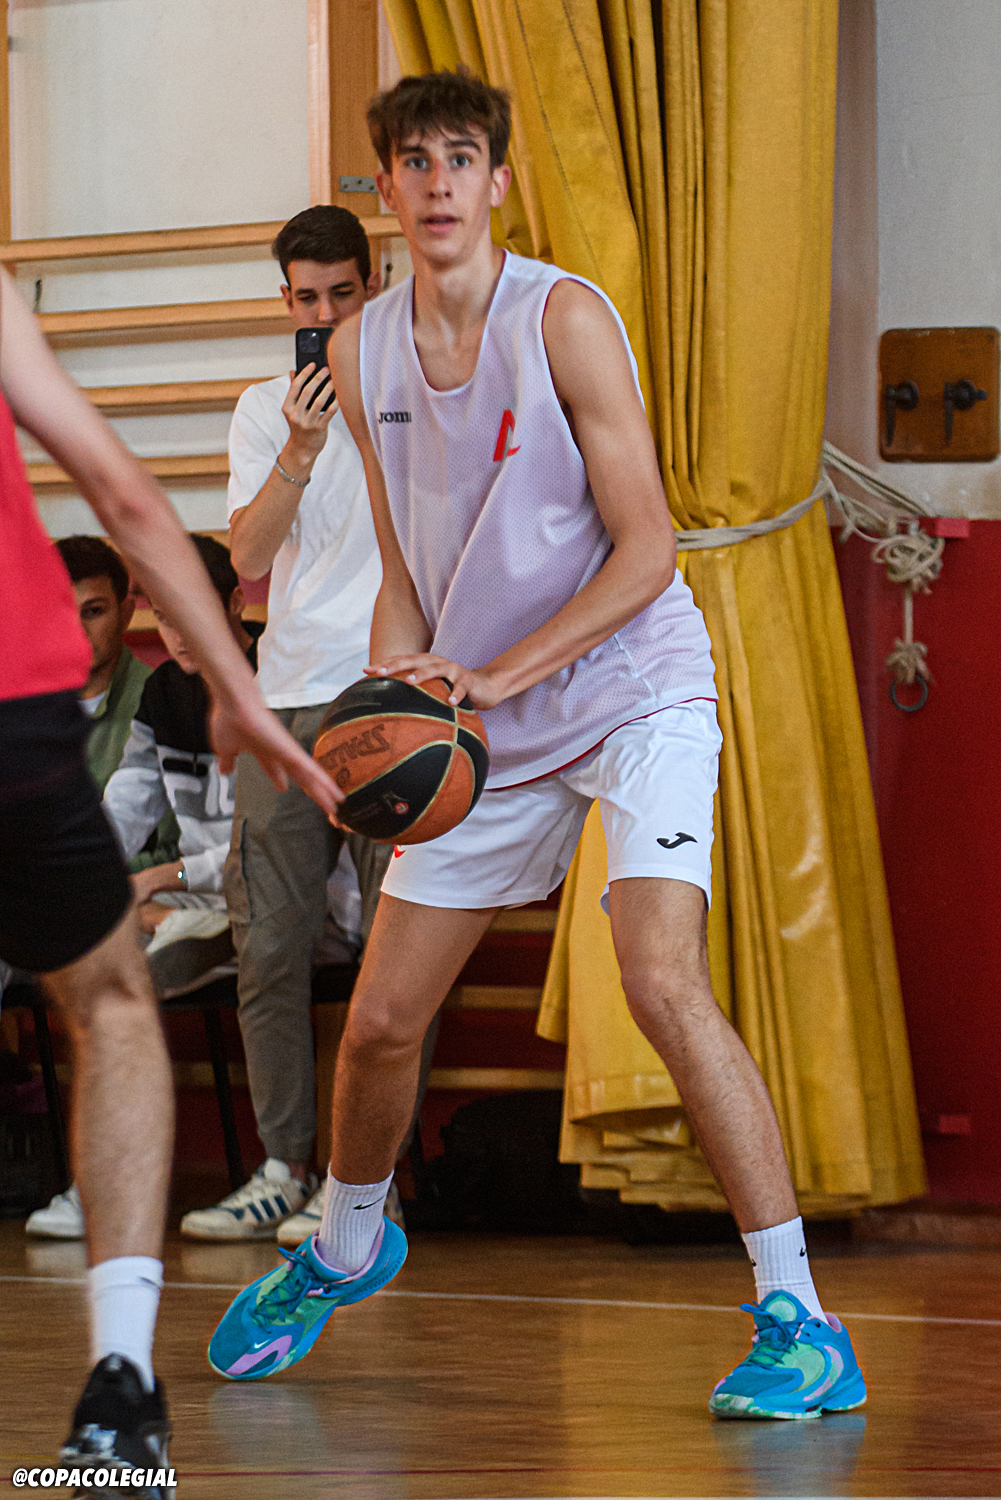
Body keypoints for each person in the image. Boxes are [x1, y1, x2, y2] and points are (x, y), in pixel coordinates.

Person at [208, 69, 868, 1421]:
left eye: (461, 157)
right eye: (414, 162)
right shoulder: (363, 352)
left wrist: (496, 675)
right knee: (379, 1025)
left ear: (497, 180)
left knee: (659, 978)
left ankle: (798, 1317)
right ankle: (345, 1244)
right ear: (386, 190)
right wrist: (381, 707)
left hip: (629, 687)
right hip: (476, 710)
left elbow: (645, 550)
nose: (438, 182)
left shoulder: (561, 318)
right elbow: (406, 573)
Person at [0, 263, 340, 1494]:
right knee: (109, 1006)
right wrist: (240, 688)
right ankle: (120, 1391)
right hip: (15, 706)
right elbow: (124, 494)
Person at [184, 205, 428, 1244]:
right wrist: (301, 442)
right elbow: (244, 560)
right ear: (285, 301)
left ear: (375, 285)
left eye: (342, 294)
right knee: (269, 948)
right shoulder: (263, 409)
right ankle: (281, 1166)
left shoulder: (423, 392)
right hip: (284, 696)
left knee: (396, 956)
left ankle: (367, 1184)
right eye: (306, 299)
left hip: (393, 693)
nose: (323, 315)